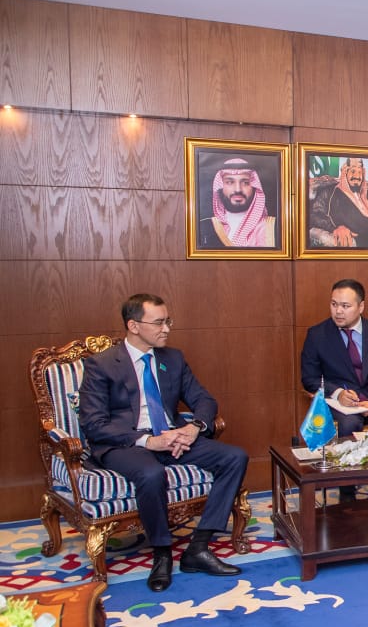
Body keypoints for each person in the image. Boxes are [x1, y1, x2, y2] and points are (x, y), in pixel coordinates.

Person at [77, 294, 247, 592]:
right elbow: (94, 424)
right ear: (134, 326)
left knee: (235, 457)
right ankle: (162, 553)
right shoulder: (102, 365)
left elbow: (204, 400)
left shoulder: (173, 359)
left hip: (173, 437)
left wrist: (194, 428)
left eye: (168, 321)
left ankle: (198, 548)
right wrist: (149, 441)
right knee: (151, 473)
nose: (166, 329)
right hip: (127, 444)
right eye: (158, 323)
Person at [299, 278, 368, 501]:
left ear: (361, 306)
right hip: (342, 403)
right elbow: (309, 378)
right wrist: (338, 393)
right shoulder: (317, 335)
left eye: (345, 306)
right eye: (334, 304)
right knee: (348, 424)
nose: (338, 311)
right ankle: (347, 487)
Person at [198, 157, 277, 248]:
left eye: (245, 183)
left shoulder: (275, 227)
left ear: (254, 187)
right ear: (220, 186)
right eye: (229, 182)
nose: (238, 189)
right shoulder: (204, 227)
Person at [307, 157, 368, 249]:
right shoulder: (329, 192)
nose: (357, 176)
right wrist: (336, 228)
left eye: (360, 172)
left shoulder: (367, 195)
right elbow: (315, 214)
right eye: (353, 171)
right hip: (361, 246)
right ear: (345, 172)